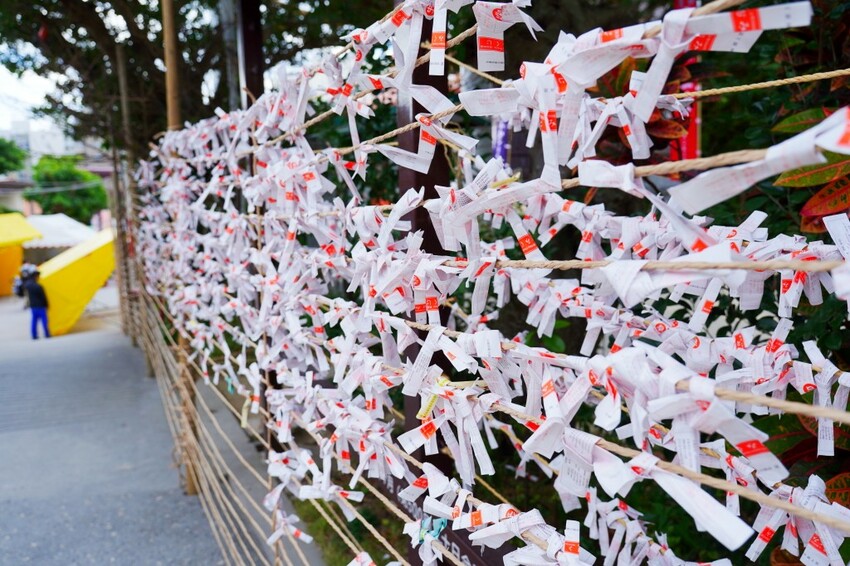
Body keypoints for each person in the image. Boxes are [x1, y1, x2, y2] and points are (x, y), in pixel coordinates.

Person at [23, 270, 50, 339]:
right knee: (44, 320)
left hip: (33, 306)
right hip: (41, 306)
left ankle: (34, 335)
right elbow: (43, 297)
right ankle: (47, 334)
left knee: (34, 321)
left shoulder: (28, 285)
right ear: (36, 276)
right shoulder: (38, 286)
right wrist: (47, 304)